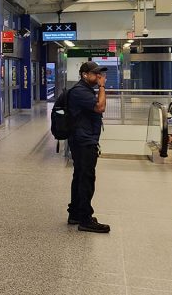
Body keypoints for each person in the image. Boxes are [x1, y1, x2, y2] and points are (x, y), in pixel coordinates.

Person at [66, 61, 111, 233]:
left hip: (83, 139)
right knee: (86, 179)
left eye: (100, 74)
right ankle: (85, 219)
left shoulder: (84, 90)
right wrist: (102, 87)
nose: (100, 77)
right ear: (85, 74)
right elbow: (100, 107)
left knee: (79, 176)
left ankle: (75, 213)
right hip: (83, 140)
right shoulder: (80, 91)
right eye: (96, 74)